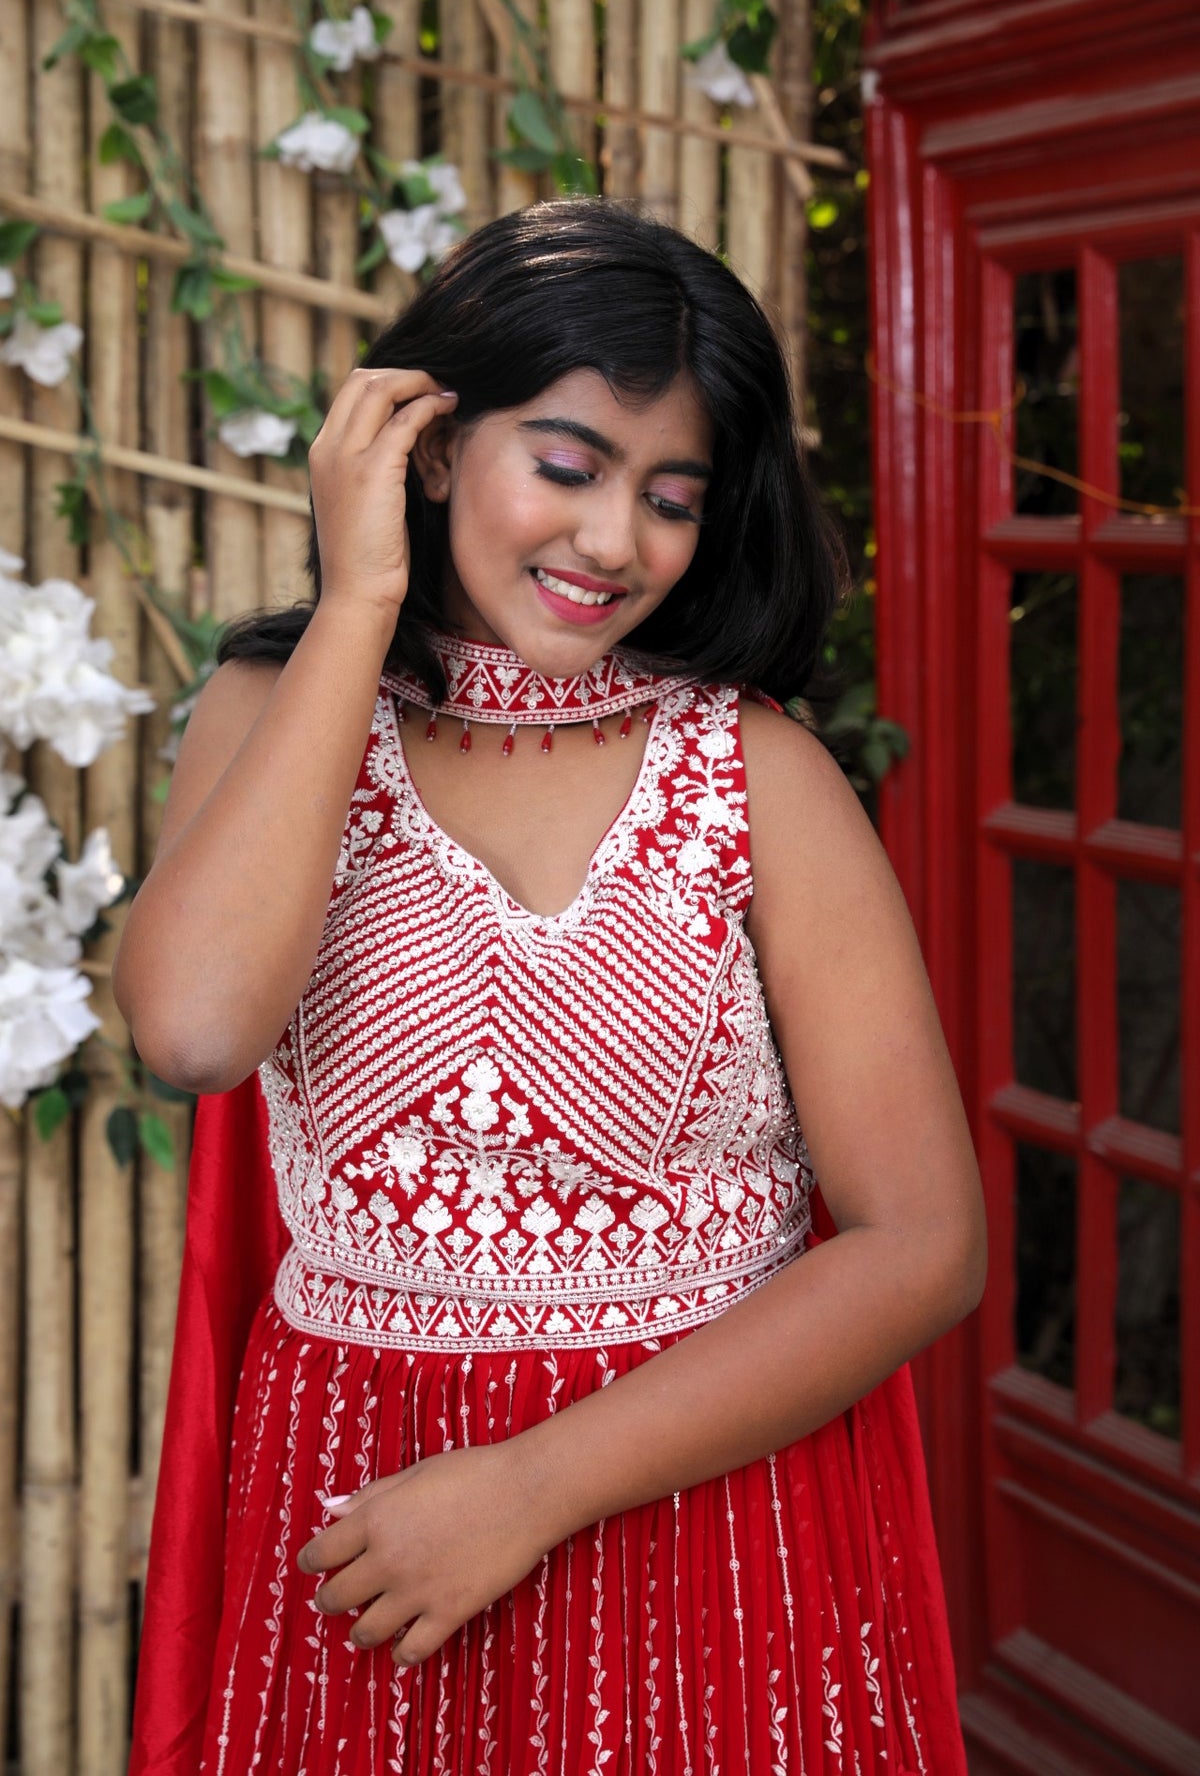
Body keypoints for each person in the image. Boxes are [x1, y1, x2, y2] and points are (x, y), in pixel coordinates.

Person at [117, 197, 986, 1775]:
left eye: (670, 495)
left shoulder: (758, 772)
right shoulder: (274, 715)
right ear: (431, 445)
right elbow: (192, 1031)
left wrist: (532, 1488)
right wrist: (358, 598)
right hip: (367, 1526)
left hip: (713, 1522)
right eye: (568, 466)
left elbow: (925, 1245)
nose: (613, 542)